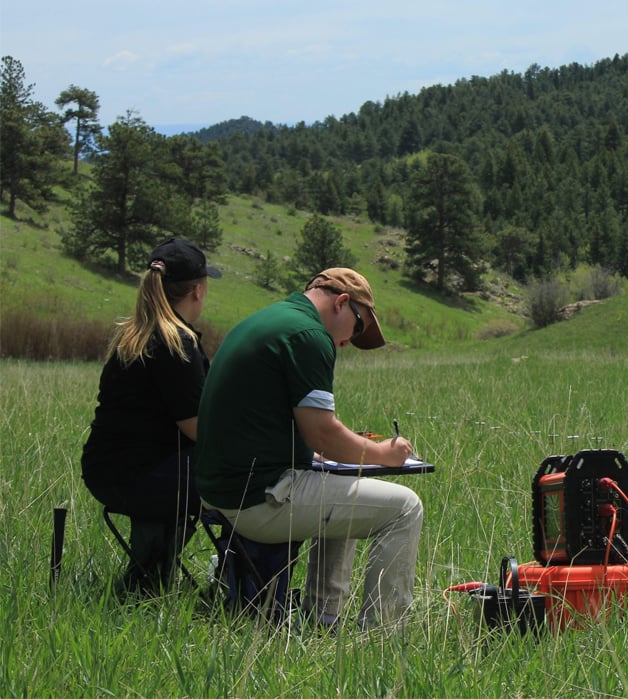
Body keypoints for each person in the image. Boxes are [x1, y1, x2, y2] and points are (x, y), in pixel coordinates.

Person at [195, 268, 423, 630]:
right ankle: (383, 634)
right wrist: (385, 453)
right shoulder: (309, 337)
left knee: (349, 486)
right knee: (406, 508)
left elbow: (267, 419)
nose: (349, 341)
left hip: (220, 491)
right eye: (358, 327)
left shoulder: (268, 319)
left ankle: (324, 618)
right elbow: (323, 434)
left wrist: (311, 452)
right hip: (255, 500)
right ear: (342, 302)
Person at [81, 238, 221, 595]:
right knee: (244, 474)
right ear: (197, 291)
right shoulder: (177, 343)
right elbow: (196, 428)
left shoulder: (133, 335)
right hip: (145, 477)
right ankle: (239, 580)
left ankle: (150, 576)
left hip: (105, 472)